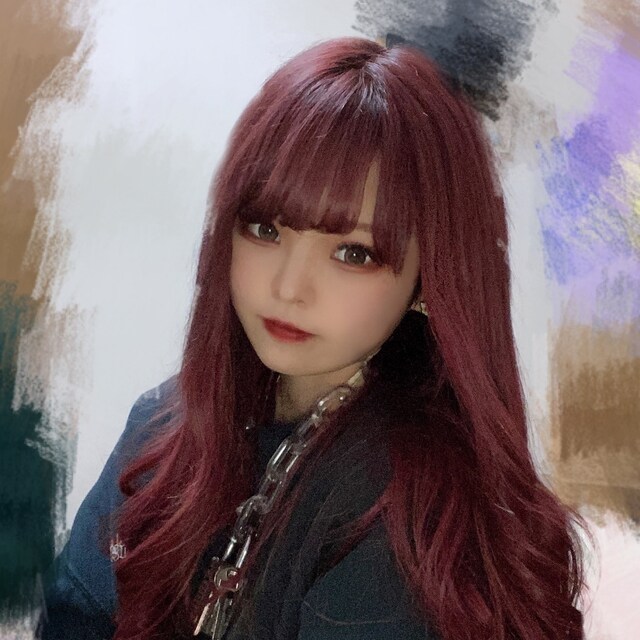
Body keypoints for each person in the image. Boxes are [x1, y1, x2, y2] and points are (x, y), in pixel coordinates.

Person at [39, 37, 585, 640]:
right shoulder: (165, 422)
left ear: (429, 278)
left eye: (353, 253)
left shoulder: (408, 514)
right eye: (265, 228)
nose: (289, 287)